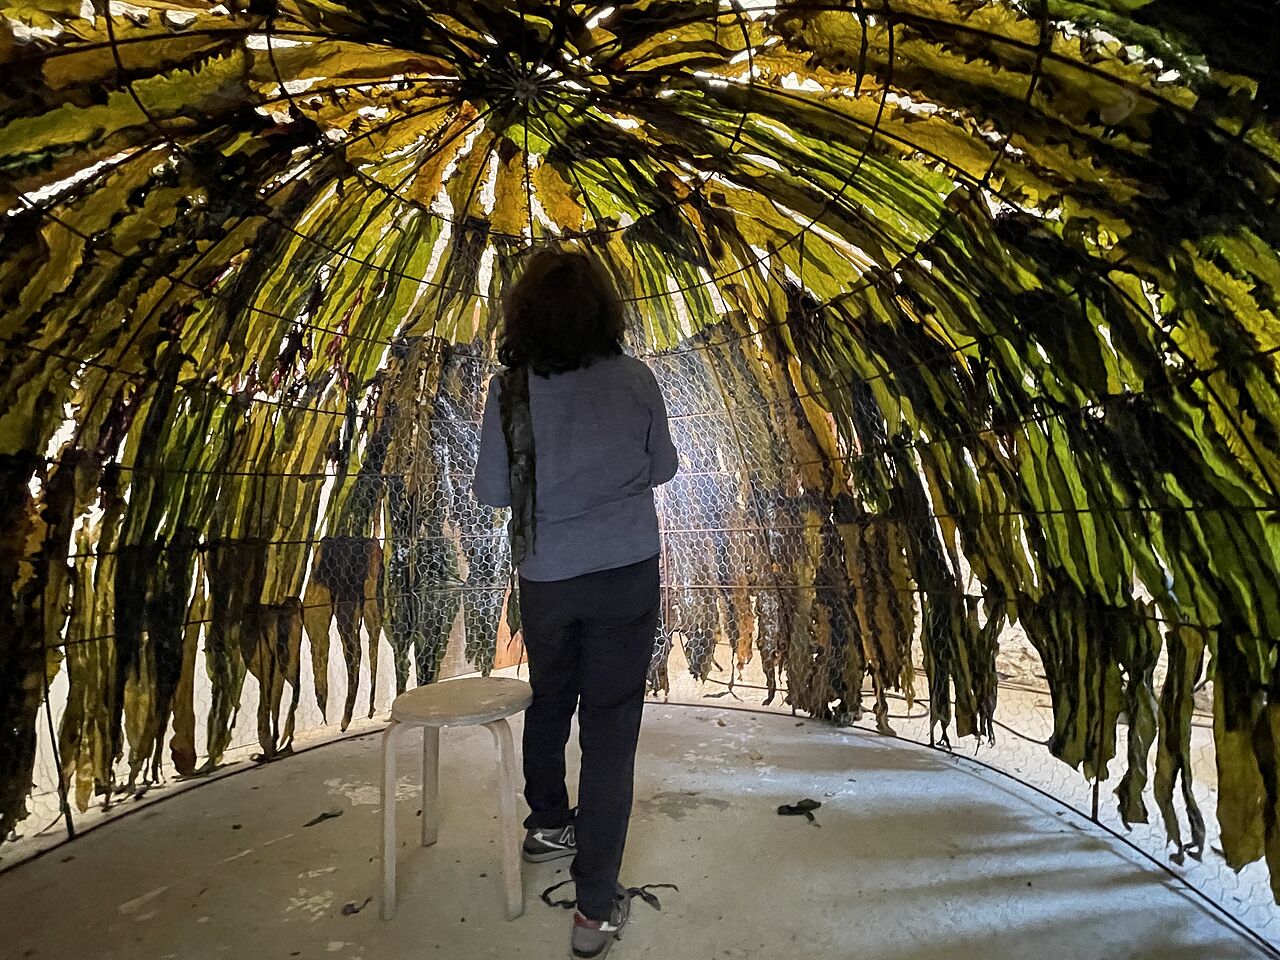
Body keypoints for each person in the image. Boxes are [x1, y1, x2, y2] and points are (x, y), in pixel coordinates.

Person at [473, 248, 679, 959]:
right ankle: (594, 911)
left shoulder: (511, 391)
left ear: (523, 315)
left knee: (550, 697)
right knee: (611, 731)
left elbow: (494, 494)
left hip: (548, 575)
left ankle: (546, 825)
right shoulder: (635, 379)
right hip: (625, 572)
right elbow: (664, 468)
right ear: (605, 312)